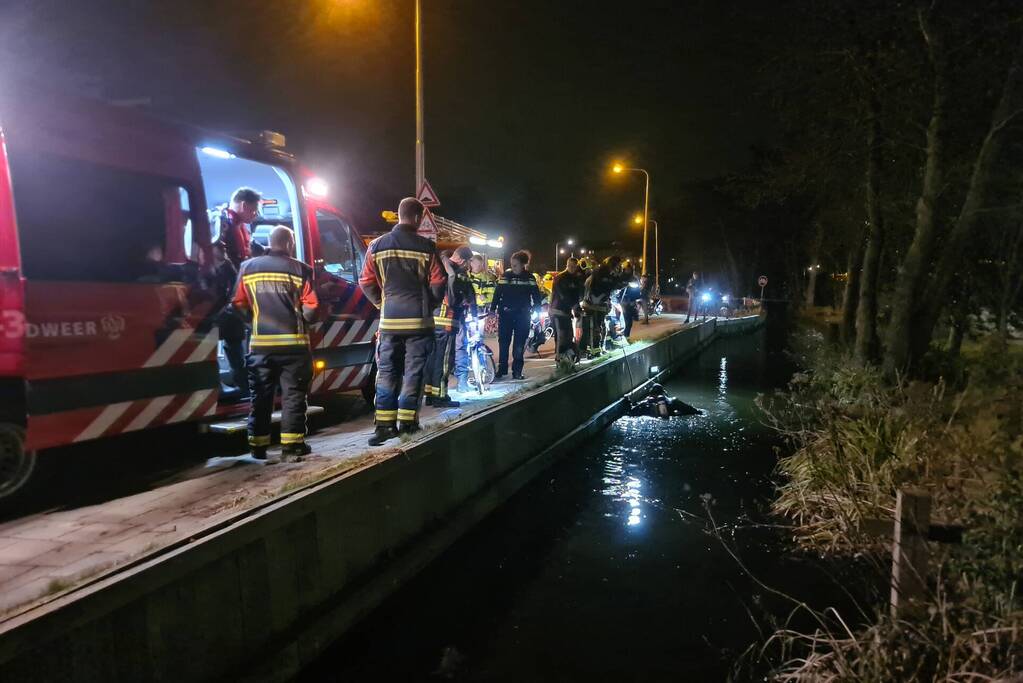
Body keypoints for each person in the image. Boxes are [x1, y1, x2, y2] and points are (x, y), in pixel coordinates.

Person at [359, 197, 447, 446]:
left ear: (399, 215)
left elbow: (365, 282)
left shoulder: (376, 246)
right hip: (419, 324)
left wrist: (381, 304)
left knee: (386, 372)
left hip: (389, 323)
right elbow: (439, 283)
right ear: (418, 218)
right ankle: (408, 424)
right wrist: (427, 305)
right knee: (413, 373)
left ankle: (384, 427)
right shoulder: (426, 247)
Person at [231, 226, 318, 462]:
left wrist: (254, 323)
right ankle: (292, 448)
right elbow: (312, 307)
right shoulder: (301, 270)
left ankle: (258, 446)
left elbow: (237, 304)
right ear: (289, 244)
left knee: (260, 396)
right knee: (293, 396)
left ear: (270, 242)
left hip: (261, 346)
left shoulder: (247, 268)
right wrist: (305, 319)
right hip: (294, 346)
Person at [425, 245, 477, 406]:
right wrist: (473, 311)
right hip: (448, 321)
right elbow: (465, 298)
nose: (469, 266)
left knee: (433, 358)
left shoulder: (438, 267)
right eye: (468, 262)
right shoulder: (458, 274)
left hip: (433, 320)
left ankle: (430, 394)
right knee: (446, 360)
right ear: (462, 260)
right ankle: (441, 396)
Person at [492, 250, 544, 380]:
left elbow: (536, 295)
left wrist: (537, 309)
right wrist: (492, 309)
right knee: (503, 342)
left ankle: (517, 371)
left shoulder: (530, 278)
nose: (513, 267)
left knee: (519, 344)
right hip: (506, 314)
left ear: (523, 265)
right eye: (512, 265)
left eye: (515, 265)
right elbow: (497, 294)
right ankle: (502, 369)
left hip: (523, 315)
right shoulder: (505, 276)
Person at [210, 241, 248, 398]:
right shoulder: (216, 268)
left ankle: (243, 387)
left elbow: (233, 295)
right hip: (220, 316)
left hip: (229, 318)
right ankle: (235, 386)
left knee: (235, 354)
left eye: (224, 247)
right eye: (220, 247)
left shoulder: (229, 269)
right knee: (225, 352)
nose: (223, 249)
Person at [580, 256, 621, 356]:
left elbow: (611, 288)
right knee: (594, 327)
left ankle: (599, 348)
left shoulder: (609, 275)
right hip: (592, 304)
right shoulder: (599, 273)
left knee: (601, 326)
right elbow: (594, 289)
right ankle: (593, 350)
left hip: (600, 304)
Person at [218, 187, 264, 270]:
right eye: (254, 210)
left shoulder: (239, 224)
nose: (255, 215)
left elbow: (251, 244)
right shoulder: (224, 226)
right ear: (244, 206)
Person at [550, 257, 585, 362]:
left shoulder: (575, 279)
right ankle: (559, 360)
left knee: (568, 335)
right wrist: (575, 307)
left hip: (566, 312)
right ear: (567, 265)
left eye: (574, 267)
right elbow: (563, 295)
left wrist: (577, 309)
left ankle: (566, 357)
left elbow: (576, 296)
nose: (572, 268)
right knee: (561, 336)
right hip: (557, 311)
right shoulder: (560, 278)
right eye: (570, 266)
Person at [628, 384, 701, 418]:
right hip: (668, 415)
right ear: (663, 392)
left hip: (651, 416)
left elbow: (631, 413)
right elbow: (692, 410)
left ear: (651, 393)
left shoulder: (645, 402)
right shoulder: (673, 401)